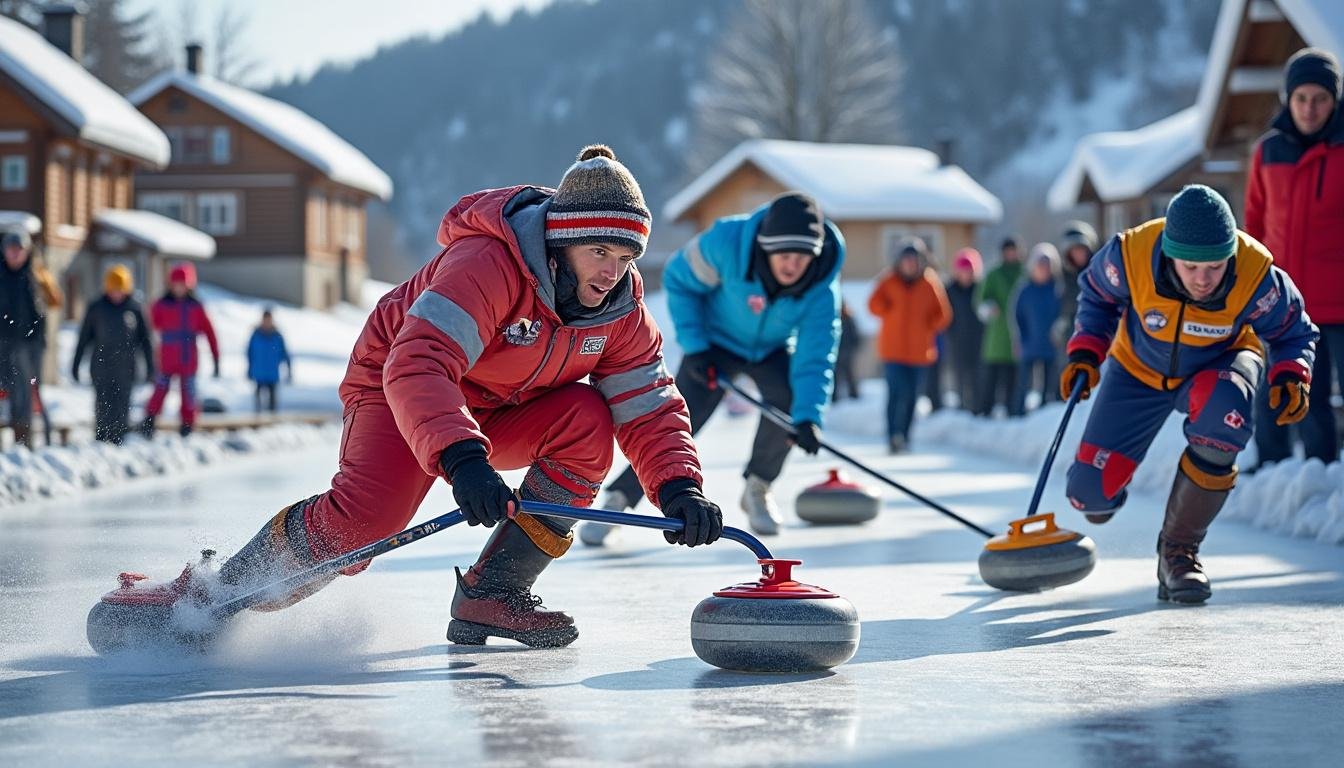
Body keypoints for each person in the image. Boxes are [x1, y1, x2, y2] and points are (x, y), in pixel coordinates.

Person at [151, 145, 722, 649]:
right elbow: (419, 363)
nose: (611, 273)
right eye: (600, 252)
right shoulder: (487, 264)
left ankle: (494, 593)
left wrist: (679, 486)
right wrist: (462, 457)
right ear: (562, 238)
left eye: (626, 259)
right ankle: (215, 592)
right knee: (364, 526)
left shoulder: (621, 311)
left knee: (589, 419)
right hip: (396, 384)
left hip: (499, 406)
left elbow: (648, 403)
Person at [1062, 185, 1317, 604]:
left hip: (1219, 363)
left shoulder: (1255, 273)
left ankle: (1178, 552)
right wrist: (1087, 349)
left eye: (1216, 267)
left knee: (1224, 422)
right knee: (1089, 496)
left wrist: (1292, 373)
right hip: (1137, 370)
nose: (1203, 279)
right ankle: (1103, 487)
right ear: (1168, 252)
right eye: (1191, 267)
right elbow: (1097, 294)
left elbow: (1294, 330)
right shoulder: (1131, 254)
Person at [582, 191, 843, 544]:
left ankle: (758, 487)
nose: (792, 266)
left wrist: (809, 416)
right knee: (679, 419)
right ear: (766, 246)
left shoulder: (822, 288)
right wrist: (697, 346)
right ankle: (622, 498)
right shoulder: (726, 243)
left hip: (770, 348)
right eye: (784, 254)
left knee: (789, 403)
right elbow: (678, 279)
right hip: (713, 342)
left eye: (801, 257)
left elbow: (816, 354)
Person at [1246, 48, 1344, 466]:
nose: (1309, 108)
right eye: (1301, 98)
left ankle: (1326, 479)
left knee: (1322, 400)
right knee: (1283, 391)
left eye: (1319, 99)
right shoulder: (1267, 153)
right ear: (1288, 99)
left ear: (1334, 101)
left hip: (1340, 302)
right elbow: (1253, 223)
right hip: (1284, 305)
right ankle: (1277, 469)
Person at [868, 238, 951, 453]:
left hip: (919, 352)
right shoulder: (888, 281)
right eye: (906, 260)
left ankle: (904, 435)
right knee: (896, 393)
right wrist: (887, 309)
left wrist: (927, 325)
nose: (910, 264)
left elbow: (943, 315)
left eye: (914, 260)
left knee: (912, 396)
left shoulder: (930, 283)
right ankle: (893, 435)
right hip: (892, 350)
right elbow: (873, 305)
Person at [71, 265, 155, 444]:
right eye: (113, 289)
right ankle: (101, 440)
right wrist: (75, 364)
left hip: (126, 368)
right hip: (101, 367)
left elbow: (146, 341)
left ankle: (118, 440)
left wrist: (151, 367)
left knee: (122, 405)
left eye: (120, 290)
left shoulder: (135, 309)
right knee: (102, 405)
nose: (116, 294)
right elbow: (84, 338)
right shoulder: (96, 308)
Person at [140, 262, 219, 438]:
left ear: (189, 286)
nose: (179, 289)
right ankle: (150, 418)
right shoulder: (161, 304)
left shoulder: (196, 307)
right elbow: (148, 324)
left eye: (182, 285)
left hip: (188, 357)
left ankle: (188, 423)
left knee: (188, 392)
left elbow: (209, 331)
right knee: (160, 389)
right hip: (167, 357)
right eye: (175, 285)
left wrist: (216, 356)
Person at [0, 229, 46, 449]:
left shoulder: (35, 278)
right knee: (2, 395)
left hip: (26, 347)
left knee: (24, 396)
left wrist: (37, 345)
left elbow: (42, 313)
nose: (15, 255)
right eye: (11, 250)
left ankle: (24, 445)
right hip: (2, 345)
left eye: (19, 250)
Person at [976, 236, 1023, 416]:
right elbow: (981, 300)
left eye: (1013, 250)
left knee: (1013, 380)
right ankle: (985, 412)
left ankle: (1013, 411)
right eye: (1007, 251)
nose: (1011, 254)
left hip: (1017, 335)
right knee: (991, 379)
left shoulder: (1023, 274)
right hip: (996, 337)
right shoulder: (994, 275)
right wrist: (988, 308)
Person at [1013, 243, 1063, 412]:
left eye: (1047, 266)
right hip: (1029, 342)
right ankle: (1019, 412)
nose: (1043, 270)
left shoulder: (1057, 289)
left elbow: (1061, 314)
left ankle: (1044, 412)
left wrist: (1058, 330)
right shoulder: (1025, 290)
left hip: (1050, 344)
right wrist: (1019, 338)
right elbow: (1017, 315)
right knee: (1024, 382)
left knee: (1048, 382)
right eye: (1040, 266)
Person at [944, 248, 984, 410]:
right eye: (963, 270)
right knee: (960, 375)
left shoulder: (980, 289)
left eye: (969, 271)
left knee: (977, 376)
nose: (966, 274)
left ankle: (977, 408)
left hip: (978, 339)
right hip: (957, 340)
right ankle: (961, 406)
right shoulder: (950, 290)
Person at [1056, 219, 1098, 353]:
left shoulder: (1098, 274)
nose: (1079, 254)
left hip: (1097, 333)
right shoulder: (1063, 278)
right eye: (1074, 250)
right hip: (1072, 336)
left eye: (1081, 249)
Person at [247, 309, 292, 413]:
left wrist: (288, 369)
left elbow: (284, 353)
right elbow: (250, 353)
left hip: (272, 375)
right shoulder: (255, 335)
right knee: (258, 404)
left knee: (272, 406)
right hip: (259, 374)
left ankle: (272, 424)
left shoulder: (277, 336)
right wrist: (249, 369)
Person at [832, 301, 862, 402]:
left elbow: (855, 336)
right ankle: (834, 397)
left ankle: (854, 395)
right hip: (835, 352)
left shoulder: (849, 320)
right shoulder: (832, 319)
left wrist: (852, 348)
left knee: (849, 374)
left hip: (847, 352)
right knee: (834, 375)